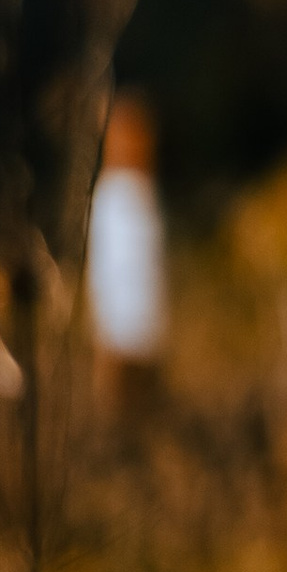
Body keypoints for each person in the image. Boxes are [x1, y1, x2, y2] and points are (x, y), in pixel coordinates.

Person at [85, 87, 167, 422]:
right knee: (119, 416)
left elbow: (155, 269)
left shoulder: (145, 192)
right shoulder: (113, 195)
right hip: (118, 338)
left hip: (147, 335)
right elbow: (105, 269)